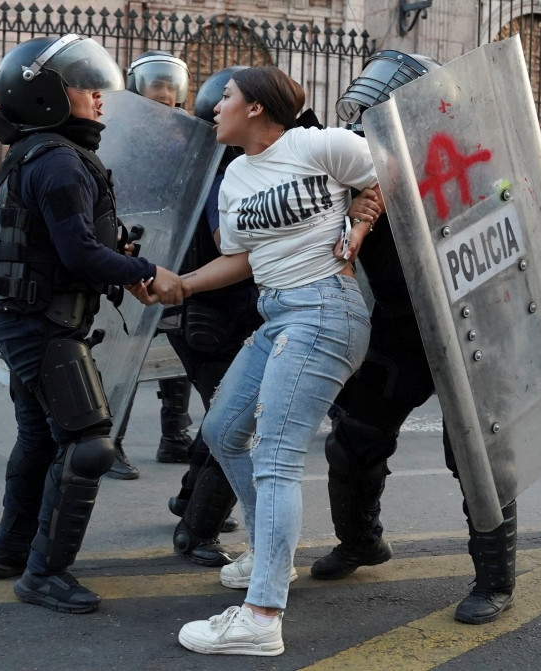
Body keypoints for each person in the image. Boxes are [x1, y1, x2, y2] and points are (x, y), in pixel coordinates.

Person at [135, 65, 378, 656]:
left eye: (225, 97)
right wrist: (184, 285)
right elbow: (243, 260)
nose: (212, 106)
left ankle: (262, 616)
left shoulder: (319, 144)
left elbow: (384, 177)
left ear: (256, 107)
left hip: (326, 308)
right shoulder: (236, 178)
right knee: (222, 429)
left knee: (275, 454)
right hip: (277, 315)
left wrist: (360, 227)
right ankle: (272, 557)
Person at [0, 33, 185, 614]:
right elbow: (79, 255)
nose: (99, 96)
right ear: (44, 94)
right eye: (84, 85)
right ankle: (44, 573)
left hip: (27, 320)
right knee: (89, 444)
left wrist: (120, 259)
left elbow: (75, 244)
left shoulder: (38, 151)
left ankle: (9, 553)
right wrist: (147, 271)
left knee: (41, 437)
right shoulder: (60, 161)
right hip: (42, 325)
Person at [308, 50, 518, 628]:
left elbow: (504, 250)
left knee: (477, 456)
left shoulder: (470, 163)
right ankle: (361, 543)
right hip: (397, 330)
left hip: (464, 329)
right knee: (352, 440)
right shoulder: (355, 171)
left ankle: (495, 580)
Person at [164, 65, 261, 567]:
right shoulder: (225, 174)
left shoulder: (216, 166)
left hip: (217, 315)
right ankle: (195, 532)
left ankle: (188, 499)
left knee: (221, 418)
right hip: (212, 318)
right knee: (239, 424)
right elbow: (230, 244)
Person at [105, 50, 197, 479]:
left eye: (169, 87)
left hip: (173, 247)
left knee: (175, 345)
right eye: (156, 86)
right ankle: (110, 443)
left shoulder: (190, 134)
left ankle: (174, 434)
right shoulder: (122, 128)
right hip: (133, 249)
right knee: (125, 352)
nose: (163, 94)